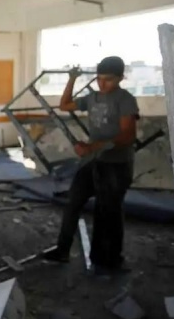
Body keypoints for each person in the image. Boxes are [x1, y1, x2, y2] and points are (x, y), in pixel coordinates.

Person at [43, 56, 139, 275]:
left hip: (116, 165)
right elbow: (64, 105)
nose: (102, 84)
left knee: (109, 213)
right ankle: (62, 250)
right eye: (99, 78)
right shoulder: (92, 98)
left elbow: (128, 136)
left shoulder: (125, 100)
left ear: (121, 78)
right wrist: (72, 79)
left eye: (108, 80)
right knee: (73, 203)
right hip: (92, 162)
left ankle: (109, 260)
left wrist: (93, 146)